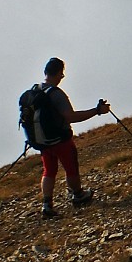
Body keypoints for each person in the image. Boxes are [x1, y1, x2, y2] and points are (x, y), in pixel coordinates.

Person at [36, 57, 110, 218]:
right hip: (60, 140)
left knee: (49, 171)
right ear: (58, 73)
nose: (62, 77)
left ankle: (46, 205)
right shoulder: (56, 94)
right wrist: (97, 111)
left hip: (43, 142)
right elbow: (71, 117)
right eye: (61, 74)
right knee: (71, 167)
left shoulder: (35, 91)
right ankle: (78, 195)